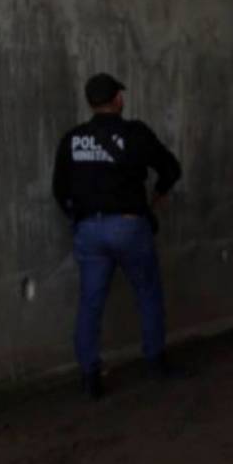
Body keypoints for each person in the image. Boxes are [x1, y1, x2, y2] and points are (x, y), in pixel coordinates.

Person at [52, 73, 183, 398]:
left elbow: (59, 189)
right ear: (118, 100)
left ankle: (90, 378)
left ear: (90, 102)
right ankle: (155, 363)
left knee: (90, 303)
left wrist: (81, 219)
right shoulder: (134, 134)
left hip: (88, 230)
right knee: (147, 293)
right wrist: (159, 195)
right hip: (129, 225)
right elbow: (171, 168)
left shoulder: (72, 139)